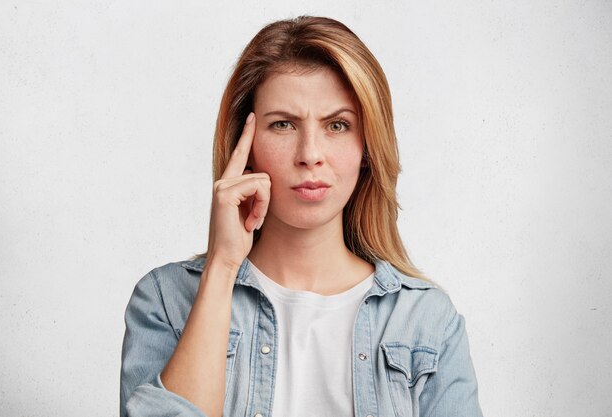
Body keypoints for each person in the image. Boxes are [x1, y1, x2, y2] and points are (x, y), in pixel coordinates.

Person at [120, 16, 483, 417]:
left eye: (338, 125)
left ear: (367, 148)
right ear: (246, 142)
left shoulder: (427, 322)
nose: (310, 153)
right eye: (283, 124)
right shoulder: (165, 302)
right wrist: (222, 267)